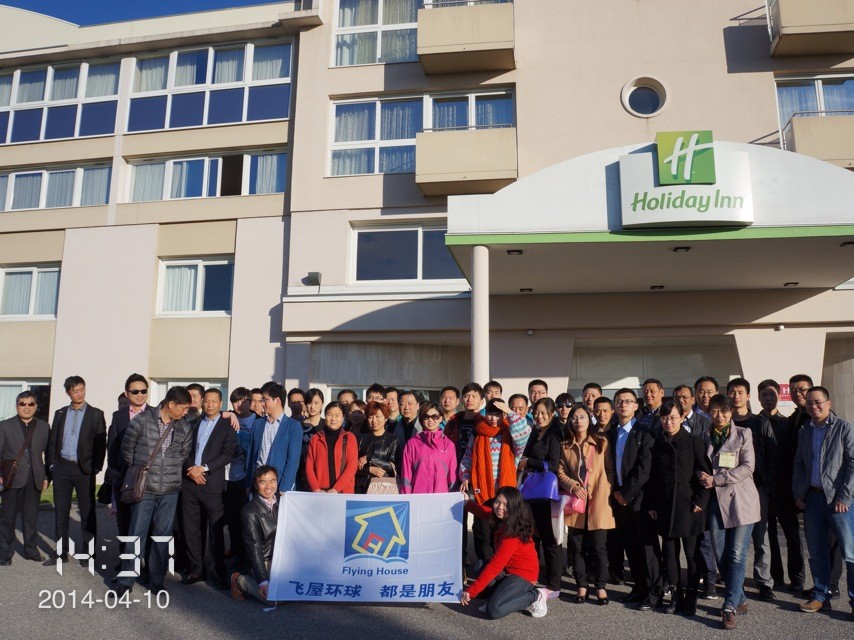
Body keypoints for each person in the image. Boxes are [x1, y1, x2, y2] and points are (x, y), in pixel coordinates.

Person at [117, 386, 194, 596]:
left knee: (162, 537)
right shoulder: (142, 420)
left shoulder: (184, 426)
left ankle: (156, 580)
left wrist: (169, 471)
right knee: (136, 534)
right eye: (183, 408)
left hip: (170, 490)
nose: (185, 412)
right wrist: (142, 471)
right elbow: (127, 450)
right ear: (171, 404)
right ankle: (126, 580)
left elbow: (183, 453)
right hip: (145, 488)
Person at [697, 394, 760, 630]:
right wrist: (700, 475)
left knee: (736, 554)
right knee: (720, 553)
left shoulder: (743, 434)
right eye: (714, 411)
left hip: (741, 501)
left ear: (730, 412)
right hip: (715, 502)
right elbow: (698, 464)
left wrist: (716, 479)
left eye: (723, 411)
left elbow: (748, 467)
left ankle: (729, 606)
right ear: (709, 413)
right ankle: (740, 597)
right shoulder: (703, 436)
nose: (719, 415)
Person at [793, 386, 854, 618]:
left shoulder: (843, 428)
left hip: (840, 502)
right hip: (814, 500)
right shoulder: (805, 430)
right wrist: (799, 493)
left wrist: (844, 496)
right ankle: (820, 596)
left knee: (850, 553)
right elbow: (799, 464)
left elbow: (853, 464)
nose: (813, 406)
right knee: (817, 552)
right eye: (809, 403)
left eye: (818, 402)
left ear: (828, 403)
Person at [646, 401, 712, 616]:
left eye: (673, 417)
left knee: (692, 554)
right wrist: (652, 504)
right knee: (669, 553)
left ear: (682, 418)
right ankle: (676, 595)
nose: (669, 422)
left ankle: (691, 595)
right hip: (665, 506)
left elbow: (705, 472)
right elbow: (653, 479)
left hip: (690, 506)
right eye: (664, 418)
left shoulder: (693, 441)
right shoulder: (658, 444)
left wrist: (701, 501)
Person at [460, 399, 531, 567]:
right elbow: (467, 459)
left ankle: (504, 568)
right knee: (484, 533)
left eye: (498, 414)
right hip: (483, 492)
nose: (493, 418)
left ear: (503, 414)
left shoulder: (511, 435)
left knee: (505, 533)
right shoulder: (478, 434)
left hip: (505, 495)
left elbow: (524, 431)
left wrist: (510, 411)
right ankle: (486, 567)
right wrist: (465, 476)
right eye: (490, 414)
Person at [459, 487, 548, 619]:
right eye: (497, 502)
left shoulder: (511, 535)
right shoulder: (502, 519)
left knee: (494, 610)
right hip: (507, 571)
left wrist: (471, 591)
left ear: (514, 507)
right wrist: (467, 503)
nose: (500, 507)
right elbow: (484, 512)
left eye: (506, 505)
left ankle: (536, 595)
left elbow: (495, 567)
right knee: (479, 566)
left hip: (523, 575)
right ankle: (497, 597)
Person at [558, 404, 615, 605]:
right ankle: (581, 584)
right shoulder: (565, 445)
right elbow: (560, 471)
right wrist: (573, 486)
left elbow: (610, 469)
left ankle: (600, 586)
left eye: (582, 417)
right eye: (574, 417)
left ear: (589, 419)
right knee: (577, 547)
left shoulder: (601, 442)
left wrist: (606, 488)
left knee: (599, 547)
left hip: (599, 500)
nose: (578, 421)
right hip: (577, 502)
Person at [608, 388, 660, 608]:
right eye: (619, 401)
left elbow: (644, 469)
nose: (623, 405)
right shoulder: (612, 433)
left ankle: (655, 591)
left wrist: (627, 494)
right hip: (619, 499)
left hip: (639, 499)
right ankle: (639, 588)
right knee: (631, 546)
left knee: (648, 548)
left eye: (628, 401)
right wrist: (617, 493)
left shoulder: (644, 433)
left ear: (636, 406)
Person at [180, 388, 237, 589]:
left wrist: (203, 468)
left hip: (212, 485)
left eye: (214, 401)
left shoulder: (227, 426)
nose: (210, 404)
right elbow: (184, 449)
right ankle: (196, 569)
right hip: (190, 483)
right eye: (207, 401)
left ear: (220, 404)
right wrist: (191, 469)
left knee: (215, 531)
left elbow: (228, 454)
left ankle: (216, 571)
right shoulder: (194, 423)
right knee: (191, 529)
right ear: (202, 402)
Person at [727, 377, 777, 601]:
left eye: (740, 392)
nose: (736, 396)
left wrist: (768, 484)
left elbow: (771, 455)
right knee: (733, 539)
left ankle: (764, 581)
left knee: (760, 535)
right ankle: (734, 580)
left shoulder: (759, 422)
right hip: (729, 487)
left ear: (748, 396)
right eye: (732, 392)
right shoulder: (724, 422)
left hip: (756, 487)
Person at [47, 375, 107, 562]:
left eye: (82, 389)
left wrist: (96, 467)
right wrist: (52, 465)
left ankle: (89, 552)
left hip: (84, 470)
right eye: (75, 391)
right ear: (68, 393)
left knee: (87, 513)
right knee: (61, 513)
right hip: (62, 468)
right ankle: (61, 552)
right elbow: (53, 441)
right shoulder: (60, 413)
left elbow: (100, 444)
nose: (80, 394)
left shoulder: (95, 414)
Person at [758, 378, 804, 593]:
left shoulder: (788, 424)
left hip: (786, 489)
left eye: (772, 394)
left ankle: (797, 578)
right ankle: (775, 577)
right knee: (768, 538)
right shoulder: (754, 424)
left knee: (792, 536)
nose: (768, 398)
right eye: (764, 395)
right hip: (763, 490)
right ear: (758, 398)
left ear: (778, 396)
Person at [518, 397, 564, 597]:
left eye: (544, 413)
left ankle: (554, 584)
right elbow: (525, 455)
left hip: (545, 493)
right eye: (536, 412)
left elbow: (553, 464)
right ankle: (533, 575)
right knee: (533, 536)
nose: (539, 416)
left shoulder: (555, 433)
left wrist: (530, 462)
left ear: (552, 414)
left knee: (549, 538)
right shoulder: (535, 431)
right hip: (531, 492)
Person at [0, 391, 50, 565]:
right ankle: (5, 553)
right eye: (22, 404)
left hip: (34, 477)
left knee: (31, 517)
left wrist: (46, 476)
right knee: (7, 518)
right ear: (17, 406)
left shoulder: (44, 427)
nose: (26, 407)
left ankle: (31, 550)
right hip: (11, 478)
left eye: (30, 404)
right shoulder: (4, 426)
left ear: (36, 406)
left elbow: (48, 454)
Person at [107, 373, 149, 540]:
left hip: (147, 478)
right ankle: (125, 553)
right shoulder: (119, 416)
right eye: (135, 391)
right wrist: (115, 473)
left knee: (144, 522)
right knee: (124, 521)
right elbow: (112, 446)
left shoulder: (155, 413)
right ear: (127, 393)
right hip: (123, 477)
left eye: (143, 391)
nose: (140, 395)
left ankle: (144, 555)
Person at [231, 465, 279, 604]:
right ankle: (240, 579)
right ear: (256, 485)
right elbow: (254, 549)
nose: (268, 486)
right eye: (263, 482)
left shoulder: (284, 503)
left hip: (281, 558)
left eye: (272, 481)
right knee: (273, 599)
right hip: (263, 560)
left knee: (296, 590)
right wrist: (263, 582)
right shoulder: (250, 512)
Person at [245, 382, 303, 494]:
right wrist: (248, 484)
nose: (262, 404)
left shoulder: (293, 426)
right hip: (258, 484)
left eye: (265, 400)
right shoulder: (258, 424)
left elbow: (293, 460)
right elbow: (251, 455)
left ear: (277, 400)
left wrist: (284, 487)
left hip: (279, 486)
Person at [225, 386, 254, 565]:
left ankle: (247, 557)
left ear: (251, 402)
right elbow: (208, 415)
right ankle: (235, 554)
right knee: (231, 519)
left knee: (246, 519)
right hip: (227, 477)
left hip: (247, 477)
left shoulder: (257, 421)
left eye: (243, 401)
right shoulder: (227, 418)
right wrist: (228, 414)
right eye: (235, 402)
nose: (239, 405)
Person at [400, 403, 457, 494]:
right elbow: (406, 474)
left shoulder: (448, 445)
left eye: (434, 417)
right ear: (421, 419)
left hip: (441, 495)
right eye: (426, 417)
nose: (430, 420)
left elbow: (452, 475)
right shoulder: (412, 443)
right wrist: (407, 497)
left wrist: (452, 496)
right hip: (418, 495)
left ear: (440, 418)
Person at [305, 401, 359, 494]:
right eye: (330, 414)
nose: (333, 419)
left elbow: (351, 467)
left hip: (342, 492)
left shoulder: (350, 438)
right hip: (320, 492)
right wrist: (316, 489)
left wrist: (335, 489)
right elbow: (309, 467)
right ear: (325, 416)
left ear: (343, 418)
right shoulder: (316, 438)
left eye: (337, 415)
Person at [355, 401, 400, 494]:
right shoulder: (360, 438)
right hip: (361, 487)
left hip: (384, 487)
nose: (374, 420)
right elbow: (353, 465)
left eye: (378, 416)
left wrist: (370, 457)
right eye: (370, 417)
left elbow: (393, 467)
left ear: (386, 418)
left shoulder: (393, 439)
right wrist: (370, 470)